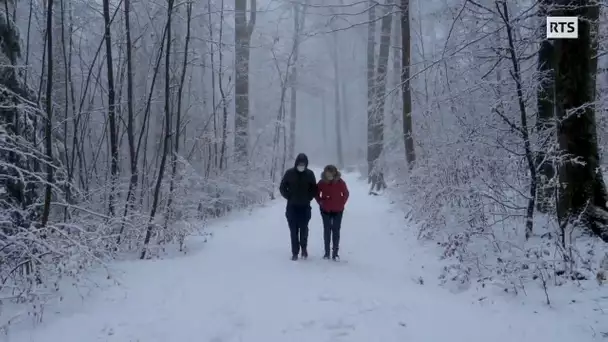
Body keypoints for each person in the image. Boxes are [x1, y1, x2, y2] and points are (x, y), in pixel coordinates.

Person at [279, 153, 317, 260]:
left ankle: (304, 249)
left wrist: (308, 197)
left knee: (304, 230)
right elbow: (282, 187)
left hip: (305, 207)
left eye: (303, 164)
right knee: (293, 231)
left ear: (306, 164)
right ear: (296, 163)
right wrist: (289, 196)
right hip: (292, 207)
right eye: (299, 163)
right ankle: (295, 252)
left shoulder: (310, 174)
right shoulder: (289, 173)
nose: (301, 165)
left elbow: (314, 189)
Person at [315, 165, 349, 261]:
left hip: (338, 210)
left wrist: (341, 203)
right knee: (327, 230)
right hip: (325, 210)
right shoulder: (322, 183)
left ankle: (335, 253)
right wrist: (320, 202)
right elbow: (316, 193)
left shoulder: (340, 182)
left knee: (336, 230)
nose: (329, 175)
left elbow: (346, 193)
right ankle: (327, 252)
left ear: (335, 173)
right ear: (325, 173)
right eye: (328, 173)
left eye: (331, 173)